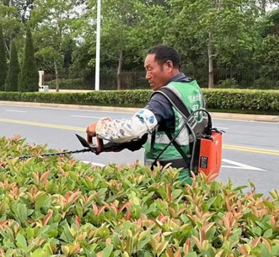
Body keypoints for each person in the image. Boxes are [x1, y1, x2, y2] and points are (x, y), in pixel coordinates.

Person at [87, 45, 206, 183]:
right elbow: (173, 129)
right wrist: (120, 144)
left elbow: (134, 128)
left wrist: (100, 127)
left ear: (168, 65)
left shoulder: (164, 97)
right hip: (192, 176)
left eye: (150, 69)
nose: (147, 76)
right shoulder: (193, 88)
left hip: (170, 181)